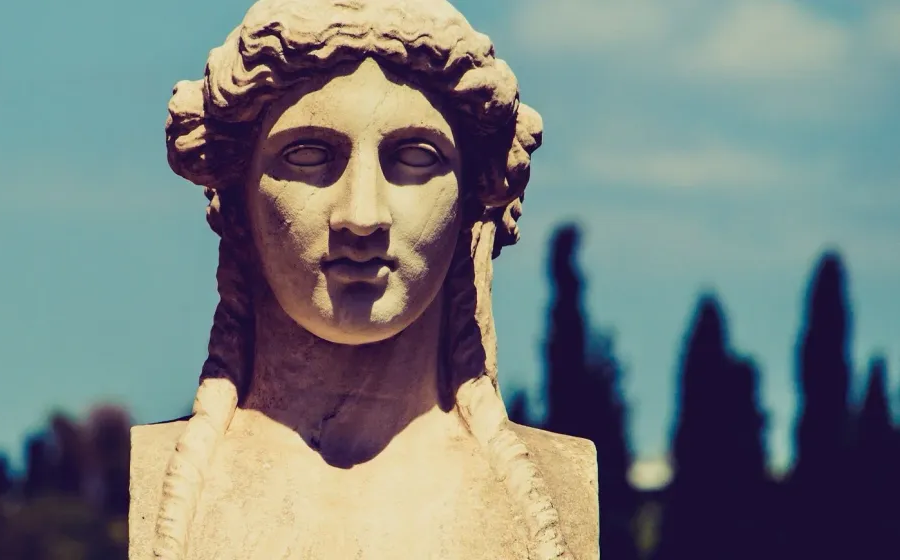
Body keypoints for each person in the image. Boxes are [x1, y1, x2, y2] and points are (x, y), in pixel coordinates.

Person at [129, 1, 598, 558]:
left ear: (474, 197)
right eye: (308, 155)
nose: (361, 214)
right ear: (238, 199)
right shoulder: (163, 484)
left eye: (415, 157)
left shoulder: (560, 483)